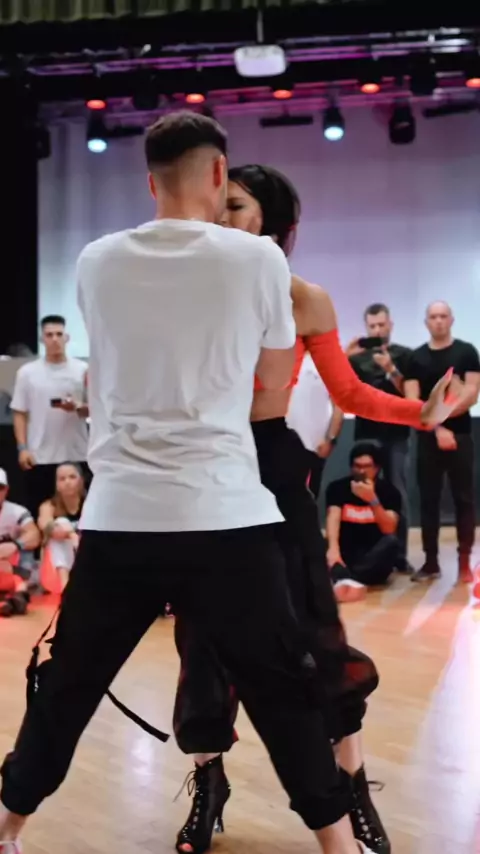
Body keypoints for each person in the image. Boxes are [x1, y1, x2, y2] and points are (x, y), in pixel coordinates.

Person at [0, 112, 377, 854]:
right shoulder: (258, 261)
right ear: (217, 174)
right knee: (283, 691)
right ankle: (339, 845)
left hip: (122, 517)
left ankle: (7, 828)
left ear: (150, 183)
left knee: (68, 686)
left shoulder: (96, 260)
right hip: (225, 517)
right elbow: (269, 390)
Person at [172, 164, 463, 854]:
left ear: (270, 220)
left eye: (234, 206)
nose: (219, 216)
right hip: (201, 470)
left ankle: (352, 789)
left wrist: (420, 414)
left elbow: (351, 393)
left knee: (316, 638)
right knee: (202, 642)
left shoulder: (304, 298)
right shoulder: (189, 288)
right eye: (216, 205)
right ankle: (209, 783)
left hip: (272, 471)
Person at [331, 304, 413, 573]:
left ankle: (399, 555)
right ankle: (363, 551)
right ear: (366, 328)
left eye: (381, 325)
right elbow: (338, 388)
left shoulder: (405, 355)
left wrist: (391, 369)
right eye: (372, 326)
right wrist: (344, 357)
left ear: (390, 325)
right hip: (366, 434)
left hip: (397, 434)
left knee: (397, 490)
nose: (377, 330)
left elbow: (410, 395)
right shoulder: (357, 360)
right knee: (362, 489)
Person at [404, 301, 480, 582]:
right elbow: (412, 401)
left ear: (451, 320)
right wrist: (437, 428)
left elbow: (471, 394)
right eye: (433, 316)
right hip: (428, 437)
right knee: (429, 500)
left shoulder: (466, 352)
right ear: (426, 322)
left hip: (461, 436)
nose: (438, 321)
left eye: (443, 316)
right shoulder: (415, 358)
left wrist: (442, 419)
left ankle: (464, 563)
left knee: (464, 499)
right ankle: (431, 563)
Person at [11, 315, 89, 521]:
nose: (55, 339)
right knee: (41, 512)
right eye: (49, 335)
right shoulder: (27, 373)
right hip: (40, 454)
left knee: (82, 513)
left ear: (67, 337)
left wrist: (77, 408)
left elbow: (94, 410)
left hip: (76, 452)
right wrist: (22, 448)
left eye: (59, 334)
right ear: (42, 339)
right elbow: (19, 411)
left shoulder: (82, 370)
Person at [325, 443, 401, 602]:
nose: (361, 471)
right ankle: (347, 579)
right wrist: (333, 550)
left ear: (377, 468)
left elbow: (389, 528)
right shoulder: (337, 488)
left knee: (392, 542)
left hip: (372, 558)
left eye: (367, 466)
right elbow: (333, 517)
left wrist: (372, 500)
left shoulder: (389, 492)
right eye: (357, 466)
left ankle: (347, 579)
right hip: (344, 556)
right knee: (318, 541)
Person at [286, 353, 342, 501]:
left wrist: (330, 438)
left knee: (307, 497)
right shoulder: (281, 358)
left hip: (314, 445)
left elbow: (339, 405)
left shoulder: (326, 362)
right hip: (282, 442)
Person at [38, 463, 86, 592]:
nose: (67, 482)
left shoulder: (90, 504)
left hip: (85, 560)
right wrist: (71, 535)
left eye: (72, 477)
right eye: (62, 479)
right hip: (56, 569)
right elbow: (47, 526)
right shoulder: (48, 506)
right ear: (57, 485)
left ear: (81, 481)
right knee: (60, 522)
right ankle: (65, 586)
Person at [0, 468, 40, 618]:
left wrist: (15, 545)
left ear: (6, 490)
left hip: (12, 566)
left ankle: (18, 596)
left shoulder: (17, 512)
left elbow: (34, 535)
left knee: (26, 550)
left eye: (0, 488)